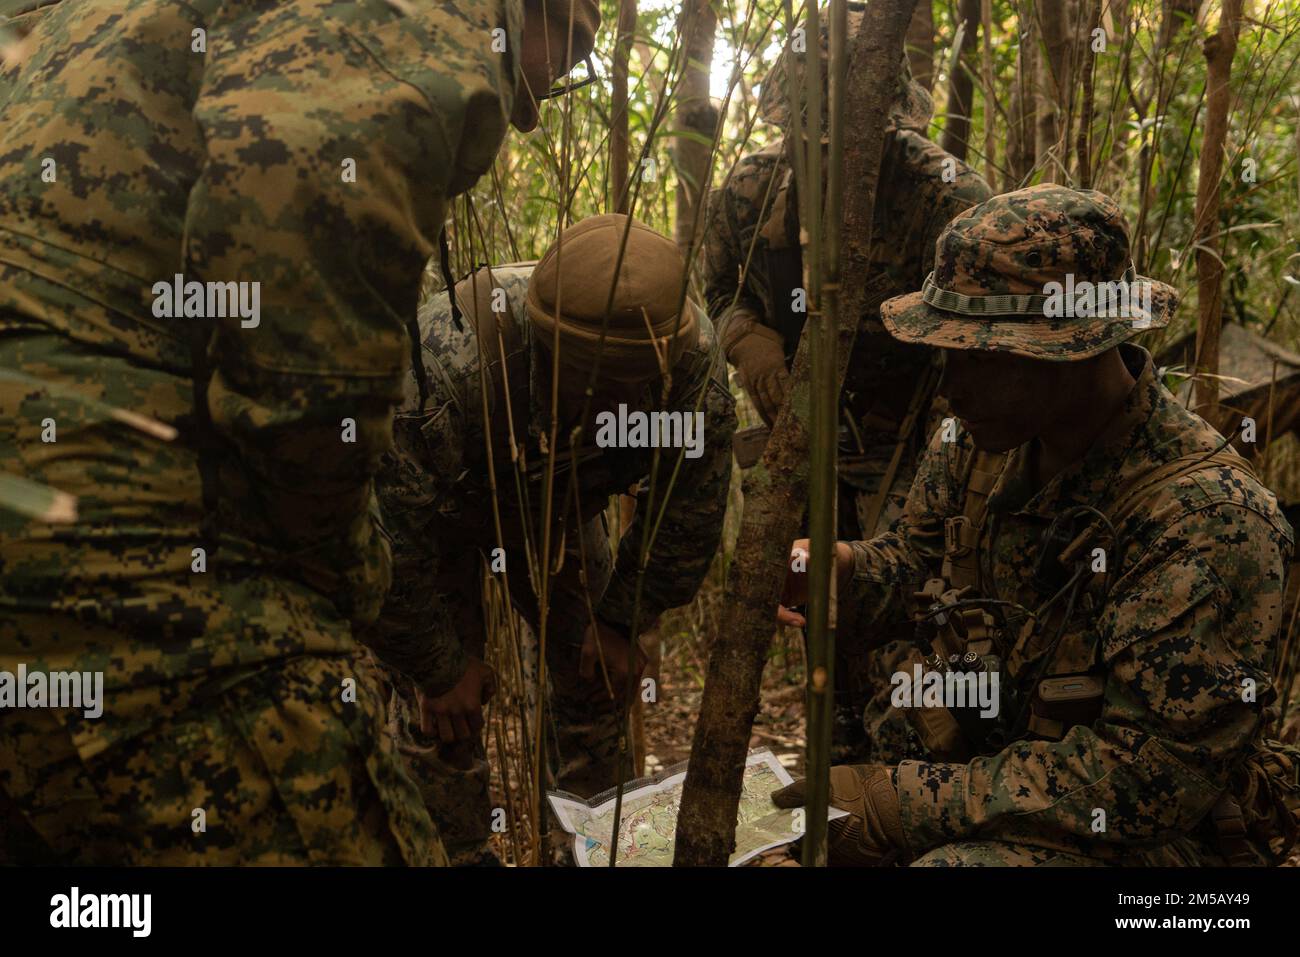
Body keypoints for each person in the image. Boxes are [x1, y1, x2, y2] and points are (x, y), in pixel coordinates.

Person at [0, 0, 599, 865]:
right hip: (98, 517)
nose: (539, 102)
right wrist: (351, 571)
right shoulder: (423, 18)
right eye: (566, 47)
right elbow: (304, 364)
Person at [778, 184, 1300, 866]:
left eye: (981, 358)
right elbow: (916, 567)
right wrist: (845, 569)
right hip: (992, 779)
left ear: (1075, 348)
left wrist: (896, 802)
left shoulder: (1208, 520)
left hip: (1156, 843)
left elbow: (1145, 780)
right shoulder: (973, 444)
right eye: (948, 353)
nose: (949, 386)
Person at [363, 214, 736, 864]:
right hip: (442, 519)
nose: (617, 405)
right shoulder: (442, 364)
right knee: (442, 716)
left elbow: (686, 512)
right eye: (597, 385)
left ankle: (590, 850)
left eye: (634, 392)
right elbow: (385, 536)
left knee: (598, 681)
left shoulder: (692, 370)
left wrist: (623, 619)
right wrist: (435, 663)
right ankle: (454, 853)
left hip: (562, 508)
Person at [700, 3, 991, 760]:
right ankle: (837, 767)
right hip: (806, 451)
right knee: (819, 623)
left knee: (911, 630)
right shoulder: (750, 191)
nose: (825, 154)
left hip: (918, 449)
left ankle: (909, 784)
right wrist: (749, 340)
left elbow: (991, 337)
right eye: (810, 138)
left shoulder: (948, 197)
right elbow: (717, 292)